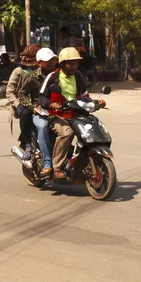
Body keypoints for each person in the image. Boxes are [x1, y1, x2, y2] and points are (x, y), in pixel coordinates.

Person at [38, 47, 98, 180]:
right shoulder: (53, 77)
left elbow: (84, 95)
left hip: (76, 113)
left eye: (76, 63)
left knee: (92, 129)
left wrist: (96, 102)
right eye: (71, 63)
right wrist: (50, 104)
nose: (74, 66)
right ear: (63, 64)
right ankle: (57, 167)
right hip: (57, 115)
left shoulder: (78, 76)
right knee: (68, 133)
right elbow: (41, 98)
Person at [16, 47, 59, 176]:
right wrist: (32, 107)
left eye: (53, 60)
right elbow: (22, 94)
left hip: (57, 109)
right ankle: (46, 162)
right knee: (42, 125)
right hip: (39, 110)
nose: (52, 62)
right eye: (48, 60)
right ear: (39, 63)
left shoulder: (58, 75)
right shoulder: (32, 77)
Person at [6, 44, 40, 159]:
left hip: (38, 102)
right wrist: (18, 104)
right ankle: (27, 143)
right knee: (26, 114)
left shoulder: (42, 71)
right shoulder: (19, 71)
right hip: (23, 104)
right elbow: (9, 91)